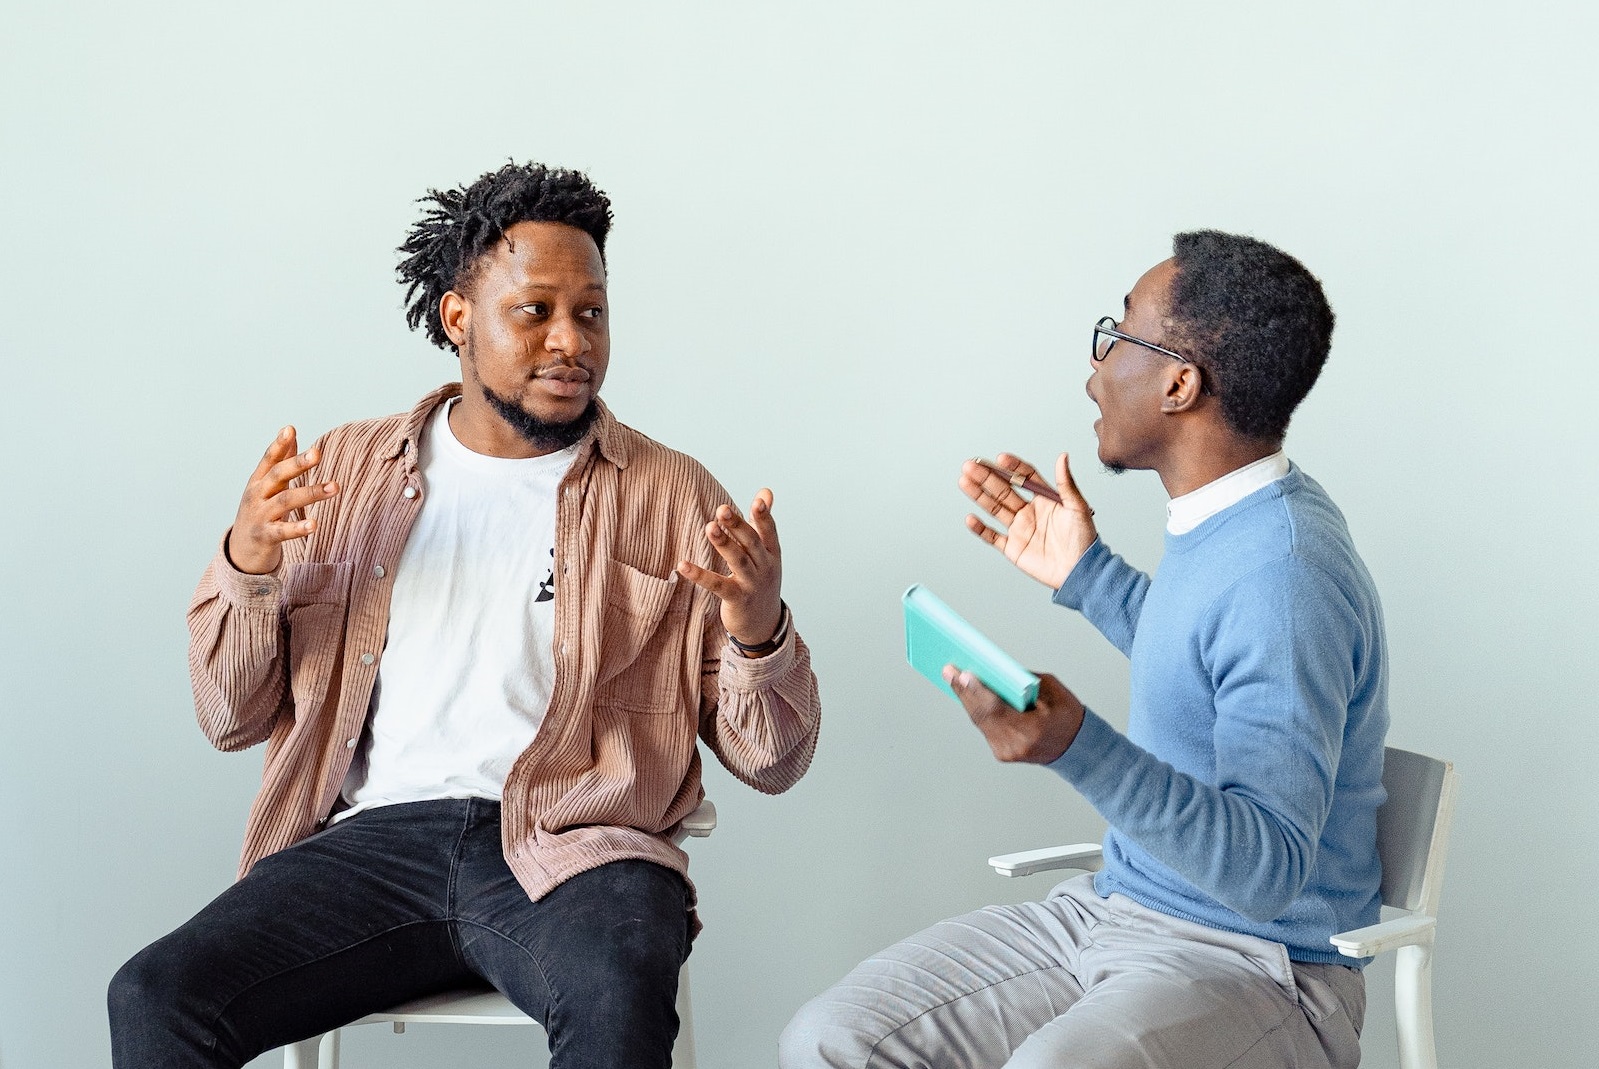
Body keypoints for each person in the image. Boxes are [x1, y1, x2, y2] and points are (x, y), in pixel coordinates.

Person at [107, 161, 822, 1069]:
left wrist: (759, 626)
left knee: (615, 990)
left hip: (577, 844)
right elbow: (229, 713)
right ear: (458, 319)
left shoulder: (673, 495)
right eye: (536, 312)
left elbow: (775, 760)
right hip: (369, 845)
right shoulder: (342, 475)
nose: (572, 341)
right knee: (156, 994)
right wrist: (247, 562)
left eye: (592, 313)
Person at [781, 231, 1386, 1069]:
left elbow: (1266, 872)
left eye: (1119, 336)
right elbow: (1209, 669)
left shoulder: (1284, 573)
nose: (1095, 370)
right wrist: (1087, 574)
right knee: (830, 1038)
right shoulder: (1231, 519)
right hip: (1115, 907)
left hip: (1260, 963)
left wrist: (1077, 747)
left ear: (1180, 383)